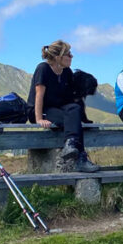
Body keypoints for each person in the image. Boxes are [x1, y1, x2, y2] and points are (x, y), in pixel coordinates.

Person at [27, 40, 99, 173]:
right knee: (73, 121)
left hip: (58, 109)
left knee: (74, 110)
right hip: (40, 110)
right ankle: (81, 158)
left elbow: (71, 96)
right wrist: (38, 119)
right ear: (58, 57)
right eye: (68, 54)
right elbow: (39, 95)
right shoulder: (43, 69)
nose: (71, 57)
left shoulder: (66, 72)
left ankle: (71, 144)